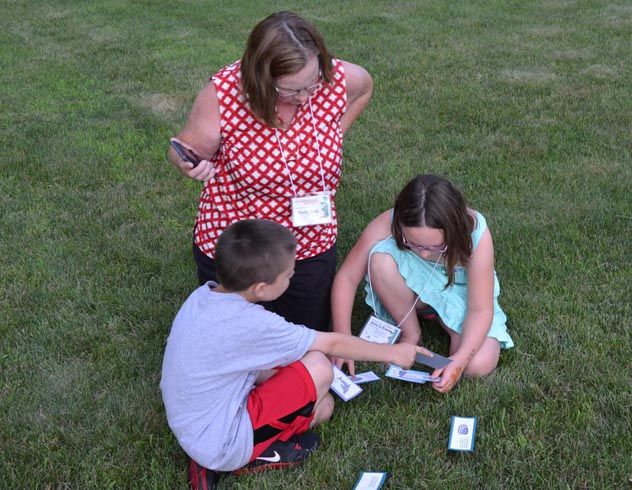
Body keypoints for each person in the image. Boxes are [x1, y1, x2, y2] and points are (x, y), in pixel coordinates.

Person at [160, 219, 430, 490]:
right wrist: (393, 353)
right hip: (221, 442)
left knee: (301, 368)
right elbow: (331, 345)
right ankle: (244, 456)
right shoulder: (254, 324)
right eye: (289, 275)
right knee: (322, 392)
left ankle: (215, 450)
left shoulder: (202, 295)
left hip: (194, 420)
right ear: (261, 289)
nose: (293, 277)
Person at [167, 11, 373, 332]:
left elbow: (363, 88)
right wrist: (188, 163)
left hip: (310, 237)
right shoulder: (224, 95)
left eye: (311, 84)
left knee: (304, 336)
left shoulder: (335, 79)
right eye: (290, 90)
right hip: (243, 240)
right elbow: (185, 148)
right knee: (235, 337)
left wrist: (336, 131)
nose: (305, 97)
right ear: (262, 78)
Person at [331, 174, 514, 394]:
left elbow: (480, 308)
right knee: (380, 259)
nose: (425, 253)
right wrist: (343, 340)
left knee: (477, 365)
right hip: (416, 286)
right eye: (414, 244)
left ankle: (449, 325)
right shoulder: (390, 221)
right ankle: (411, 332)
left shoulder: (476, 233)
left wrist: (460, 359)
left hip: (463, 295)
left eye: (436, 246)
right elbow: (347, 278)